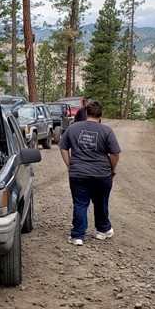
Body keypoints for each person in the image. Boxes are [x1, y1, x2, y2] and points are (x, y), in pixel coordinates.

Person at [58, 100, 121, 246]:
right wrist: (112, 169)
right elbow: (115, 153)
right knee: (101, 202)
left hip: (78, 173)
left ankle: (78, 236)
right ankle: (103, 230)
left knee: (80, 204)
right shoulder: (106, 131)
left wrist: (70, 165)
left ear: (86, 113)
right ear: (101, 114)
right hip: (102, 174)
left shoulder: (73, 128)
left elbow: (63, 147)